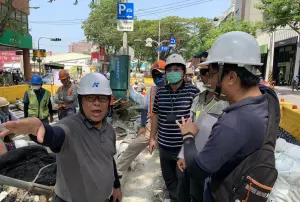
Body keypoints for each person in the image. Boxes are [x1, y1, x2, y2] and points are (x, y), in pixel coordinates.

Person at [176, 31, 280, 202]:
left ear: (231, 77)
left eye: (213, 75)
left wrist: (188, 136)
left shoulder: (233, 122)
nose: (210, 82)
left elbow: (197, 171)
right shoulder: (269, 99)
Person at [0, 73, 122, 202]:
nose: (96, 103)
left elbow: (109, 159)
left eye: (102, 98)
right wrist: (40, 130)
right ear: (81, 101)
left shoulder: (109, 130)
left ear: (109, 101)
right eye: (90, 98)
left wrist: (116, 186)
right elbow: (56, 135)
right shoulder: (70, 126)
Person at [176, 52, 228, 202]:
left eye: (209, 73)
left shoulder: (227, 103)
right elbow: (190, 127)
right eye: (203, 72)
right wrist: (183, 153)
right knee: (191, 193)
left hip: (211, 161)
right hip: (193, 154)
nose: (206, 77)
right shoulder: (198, 98)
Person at [148, 54, 200, 201]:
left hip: (182, 149)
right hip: (164, 147)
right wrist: (152, 137)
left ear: (183, 72)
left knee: (183, 182)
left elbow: (197, 119)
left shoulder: (193, 92)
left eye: (176, 69)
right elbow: (156, 115)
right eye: (169, 70)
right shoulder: (161, 92)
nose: (172, 72)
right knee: (169, 181)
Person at [116, 60, 166, 178]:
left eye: (160, 75)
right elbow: (144, 109)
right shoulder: (152, 90)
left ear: (166, 74)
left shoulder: (173, 90)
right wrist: (143, 126)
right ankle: (117, 172)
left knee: (168, 156)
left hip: (169, 127)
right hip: (151, 125)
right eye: (155, 75)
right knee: (133, 146)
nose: (157, 78)